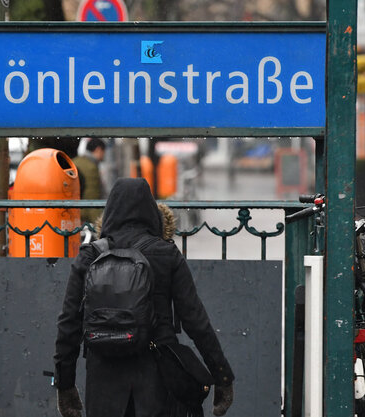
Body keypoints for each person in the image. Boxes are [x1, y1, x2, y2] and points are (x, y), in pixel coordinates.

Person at [53, 178, 234, 417]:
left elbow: (68, 324)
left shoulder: (90, 256)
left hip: (104, 382)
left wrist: (65, 384)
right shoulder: (166, 254)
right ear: (151, 211)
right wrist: (222, 375)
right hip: (157, 381)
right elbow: (195, 320)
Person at [73, 138, 106, 225]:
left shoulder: (74, 161)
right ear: (98, 150)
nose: (104, 155)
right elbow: (92, 199)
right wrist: (99, 224)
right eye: (103, 152)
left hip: (71, 214)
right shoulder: (91, 167)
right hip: (83, 217)